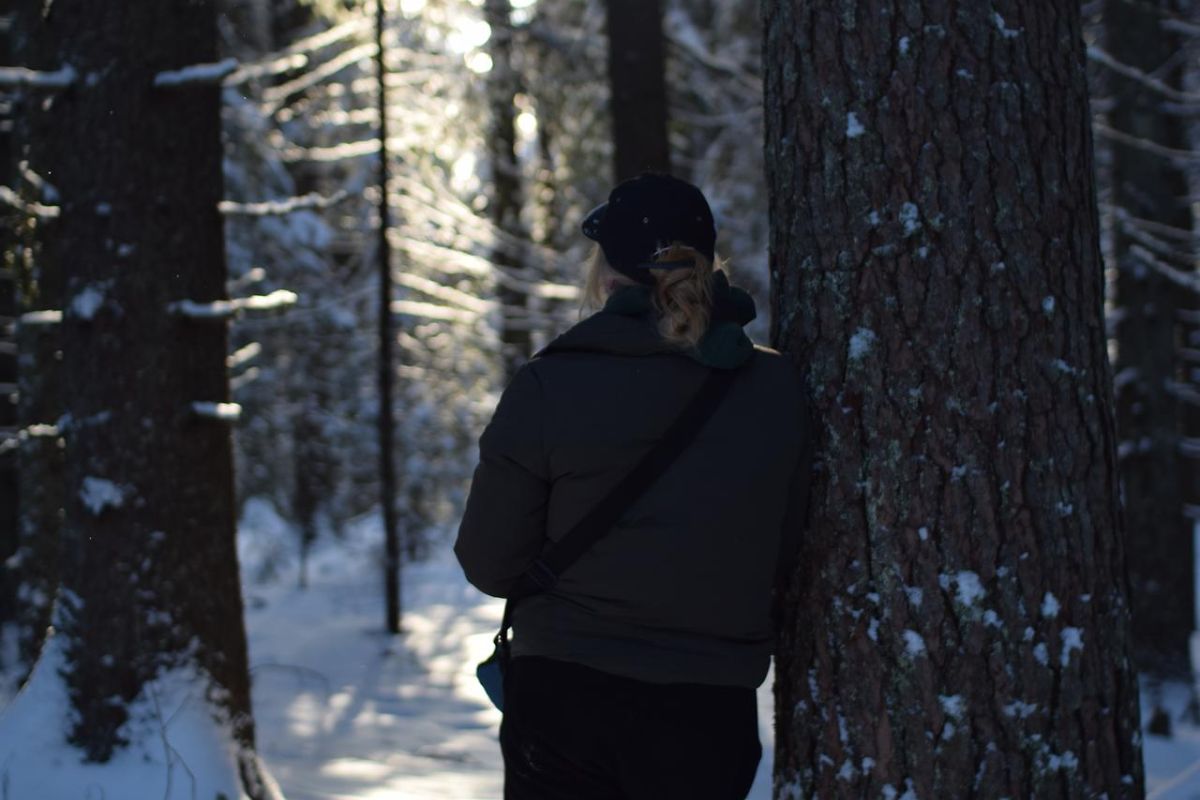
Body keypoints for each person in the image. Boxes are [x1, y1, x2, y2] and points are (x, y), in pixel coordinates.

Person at [454, 173, 814, 800]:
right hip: (709, 711)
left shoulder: (551, 385)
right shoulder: (777, 389)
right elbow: (781, 553)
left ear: (606, 272)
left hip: (565, 702)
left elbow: (489, 563)